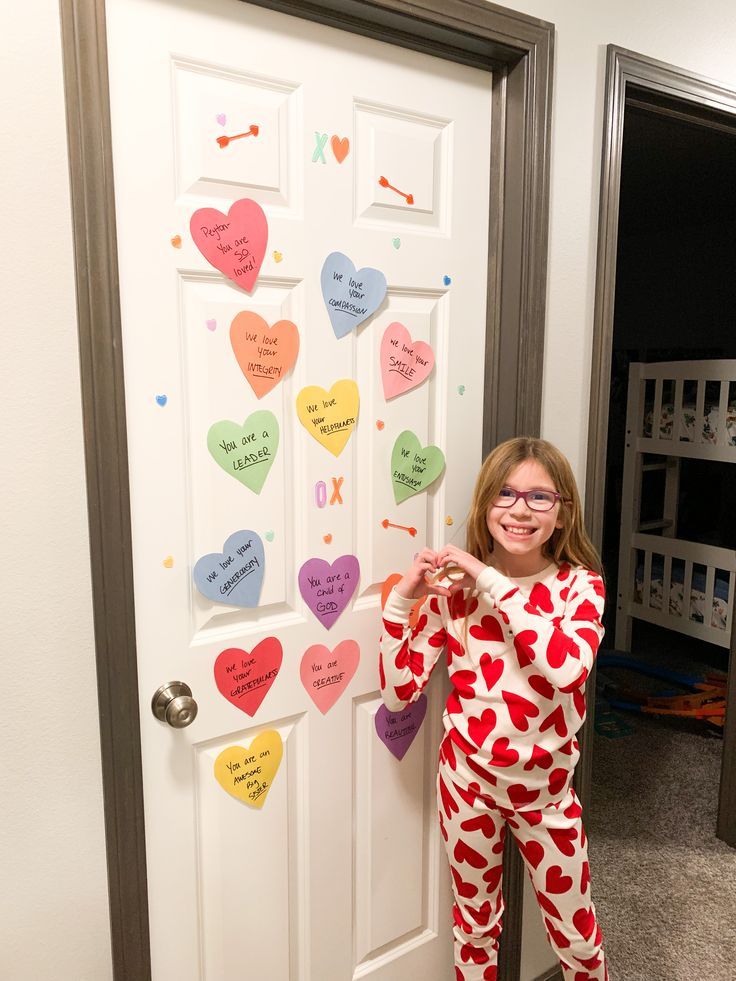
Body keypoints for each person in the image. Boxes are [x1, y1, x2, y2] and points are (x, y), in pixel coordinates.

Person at [379, 437, 608, 981]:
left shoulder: (581, 587)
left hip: (547, 796)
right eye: (504, 494)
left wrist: (487, 577)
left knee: (576, 937)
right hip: (468, 787)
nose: (520, 509)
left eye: (539, 497)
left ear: (563, 511)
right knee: (474, 928)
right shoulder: (453, 595)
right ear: (485, 505)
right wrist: (402, 600)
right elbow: (398, 692)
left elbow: (565, 669)